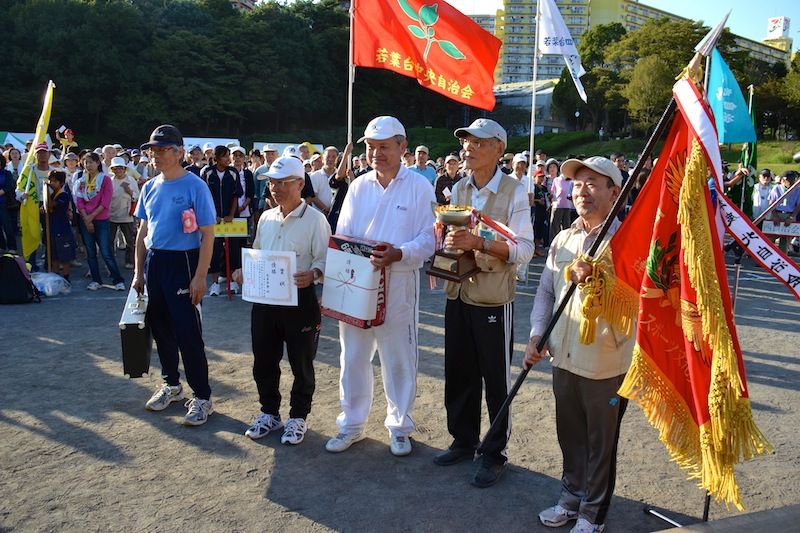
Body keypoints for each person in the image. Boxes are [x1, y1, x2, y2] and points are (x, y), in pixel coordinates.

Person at [523, 156, 634, 533]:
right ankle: (571, 499)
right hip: (563, 356)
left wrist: (600, 275)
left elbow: (639, 299)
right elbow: (546, 290)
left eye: (592, 183)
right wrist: (537, 334)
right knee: (569, 434)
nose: (582, 190)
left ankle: (593, 514)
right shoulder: (564, 237)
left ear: (613, 192)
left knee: (601, 443)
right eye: (577, 183)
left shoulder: (627, 240)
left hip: (607, 361)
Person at [325, 116, 435, 457]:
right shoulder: (358, 186)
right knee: (353, 355)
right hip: (358, 281)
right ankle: (352, 423)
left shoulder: (419, 187)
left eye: (384, 147)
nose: (376, 153)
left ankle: (400, 426)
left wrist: (400, 252)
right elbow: (343, 235)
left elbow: (430, 238)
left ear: (403, 146)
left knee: (398, 356)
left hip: (400, 281)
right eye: (371, 147)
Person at [434, 118, 534, 488]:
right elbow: (451, 234)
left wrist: (480, 245)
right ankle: (463, 440)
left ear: (498, 149)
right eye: (466, 142)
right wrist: (448, 244)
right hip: (457, 292)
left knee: (495, 378)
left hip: (493, 298)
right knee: (458, 370)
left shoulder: (514, 191)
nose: (468, 149)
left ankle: (494, 453)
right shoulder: (458, 187)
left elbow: (524, 249)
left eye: (478, 142)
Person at [231, 156, 331, 444]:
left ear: (300, 184)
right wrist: (243, 271)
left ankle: (298, 417)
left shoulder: (316, 220)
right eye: (272, 183)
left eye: (282, 183)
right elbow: (259, 253)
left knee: (301, 363)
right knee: (263, 359)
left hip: (300, 302)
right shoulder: (266, 217)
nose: (275, 188)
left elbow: (327, 260)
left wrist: (314, 273)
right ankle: (269, 413)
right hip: (265, 300)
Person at [133, 125, 217, 426]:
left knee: (188, 333)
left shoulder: (195, 186)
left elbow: (208, 234)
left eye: (162, 149)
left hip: (184, 261)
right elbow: (143, 231)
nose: (155, 155)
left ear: (179, 152)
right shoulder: (150, 186)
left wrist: (200, 276)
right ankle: (171, 384)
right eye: (152, 150)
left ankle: (202, 396)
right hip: (156, 261)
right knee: (161, 328)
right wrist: (138, 272)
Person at [74, 152, 126, 290]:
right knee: (90, 252)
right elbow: (79, 201)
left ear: (98, 163)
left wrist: (90, 218)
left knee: (105, 251)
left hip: (101, 219)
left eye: (91, 162)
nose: (88, 165)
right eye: (85, 162)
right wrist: (86, 218)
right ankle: (96, 280)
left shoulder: (105, 179)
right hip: (85, 219)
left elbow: (105, 202)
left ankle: (117, 279)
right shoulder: (81, 180)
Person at [201, 145, 242, 296]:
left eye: (228, 155)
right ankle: (215, 284)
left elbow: (236, 195)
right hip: (213, 220)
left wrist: (231, 215)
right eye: (225, 156)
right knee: (214, 250)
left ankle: (232, 282)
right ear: (217, 157)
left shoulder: (233, 172)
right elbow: (204, 198)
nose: (228, 159)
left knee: (233, 249)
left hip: (231, 220)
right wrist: (213, 215)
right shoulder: (206, 172)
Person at [45, 171, 76, 280]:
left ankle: (66, 278)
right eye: (50, 181)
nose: (51, 183)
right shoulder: (53, 194)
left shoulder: (63, 194)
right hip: (53, 230)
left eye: (55, 181)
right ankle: (55, 277)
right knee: (54, 256)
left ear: (61, 183)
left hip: (63, 230)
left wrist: (46, 192)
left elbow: (50, 204)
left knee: (64, 257)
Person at [767, 170, 800, 255]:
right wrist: (774, 216)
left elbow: (798, 206)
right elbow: (771, 203)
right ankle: (765, 260)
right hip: (777, 213)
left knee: (785, 242)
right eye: (791, 180)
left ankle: (781, 261)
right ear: (785, 180)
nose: (793, 182)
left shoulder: (798, 189)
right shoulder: (777, 188)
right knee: (769, 239)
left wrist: (792, 217)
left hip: (789, 215)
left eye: (794, 180)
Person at [308, 146, 336, 216]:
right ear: (323, 159)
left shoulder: (341, 176)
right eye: (328, 156)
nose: (330, 159)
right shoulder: (314, 176)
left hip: (336, 215)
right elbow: (313, 197)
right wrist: (325, 209)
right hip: (318, 215)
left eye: (333, 157)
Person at [0, 153, 16, 251]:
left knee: (8, 227)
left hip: (4, 204)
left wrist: (2, 191)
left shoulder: (7, 173)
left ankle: (12, 248)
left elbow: (10, 186)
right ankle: (1, 247)